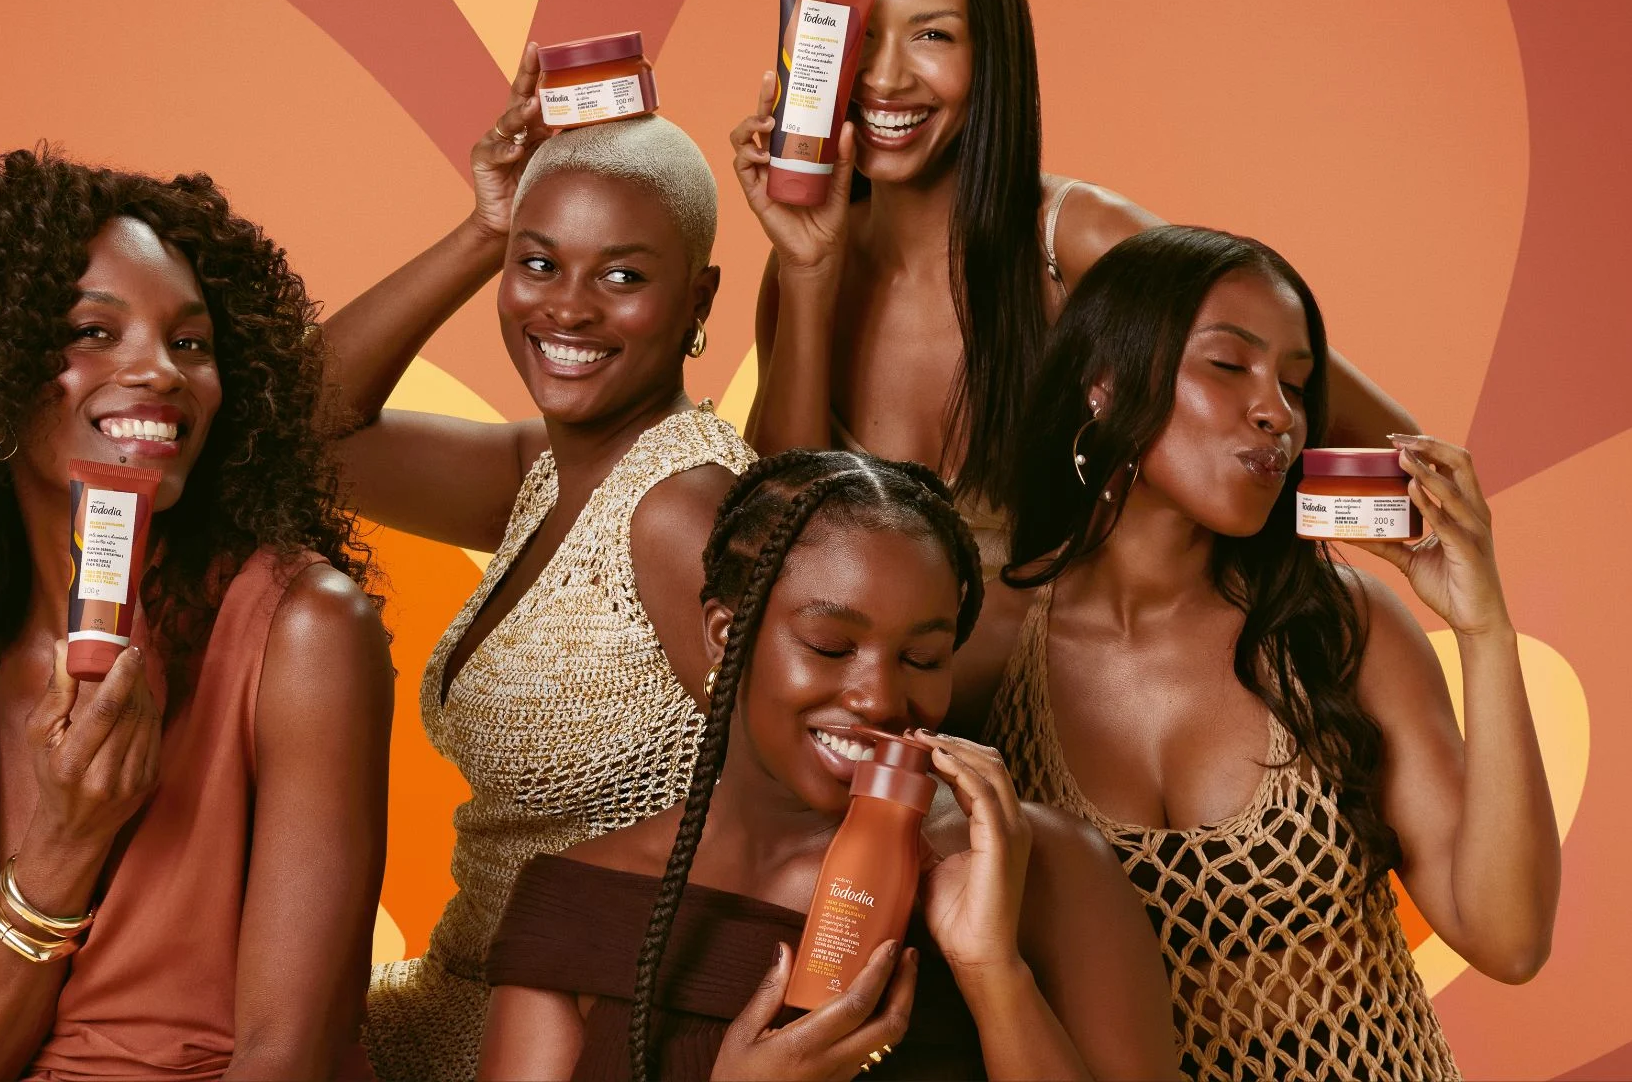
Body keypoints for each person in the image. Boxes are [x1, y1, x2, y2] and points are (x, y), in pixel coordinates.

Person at [0, 148, 393, 1080]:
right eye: (93, 332)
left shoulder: (303, 633)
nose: (159, 372)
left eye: (191, 344)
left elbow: (289, 1060)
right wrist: (67, 844)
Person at [981, 225, 1560, 1080]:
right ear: (1102, 386)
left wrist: (1484, 629)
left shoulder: (1335, 629)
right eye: (1228, 366)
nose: (1277, 413)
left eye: (1295, 384)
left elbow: (1509, 938)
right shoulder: (987, 648)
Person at [731, 0, 1418, 573]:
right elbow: (769, 550)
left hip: (1073, 699)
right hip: (880, 700)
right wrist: (807, 270)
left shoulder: (1075, 243)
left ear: (991, 52)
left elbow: (1395, 458)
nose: (884, 78)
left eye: (933, 35)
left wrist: (1253, 565)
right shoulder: (806, 261)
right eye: (863, 37)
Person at [479, 451, 1179, 1081]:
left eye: (922, 659)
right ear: (728, 635)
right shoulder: (582, 898)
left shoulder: (1042, 866)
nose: (879, 698)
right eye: (828, 645)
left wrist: (992, 972)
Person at [330, 52, 756, 1080]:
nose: (565, 308)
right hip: (458, 996)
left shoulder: (680, 509)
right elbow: (303, 433)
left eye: (621, 274)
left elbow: (787, 797)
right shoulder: (538, 471)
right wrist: (481, 224)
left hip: (583, 1029)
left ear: (696, 297)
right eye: (535, 261)